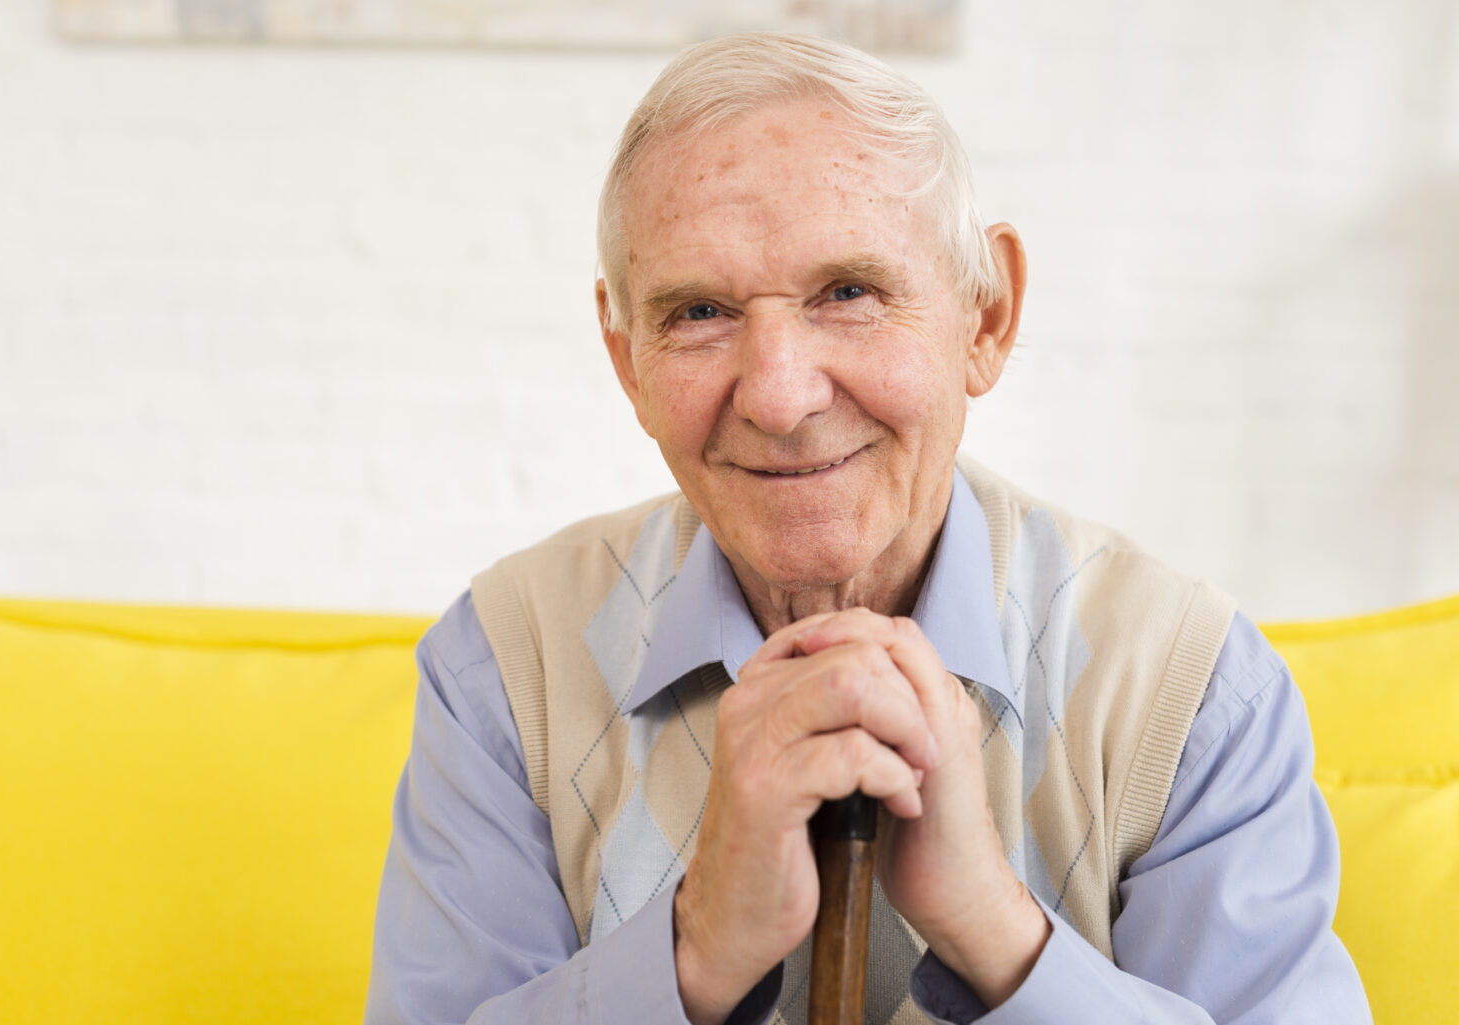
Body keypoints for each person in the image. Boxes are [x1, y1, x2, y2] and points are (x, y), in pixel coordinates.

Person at [365, 32, 1371, 1025]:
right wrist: (697, 945)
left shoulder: (1188, 689)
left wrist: (995, 928)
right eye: (700, 312)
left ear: (986, 316)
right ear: (628, 360)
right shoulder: (505, 667)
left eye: (849, 292)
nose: (779, 394)